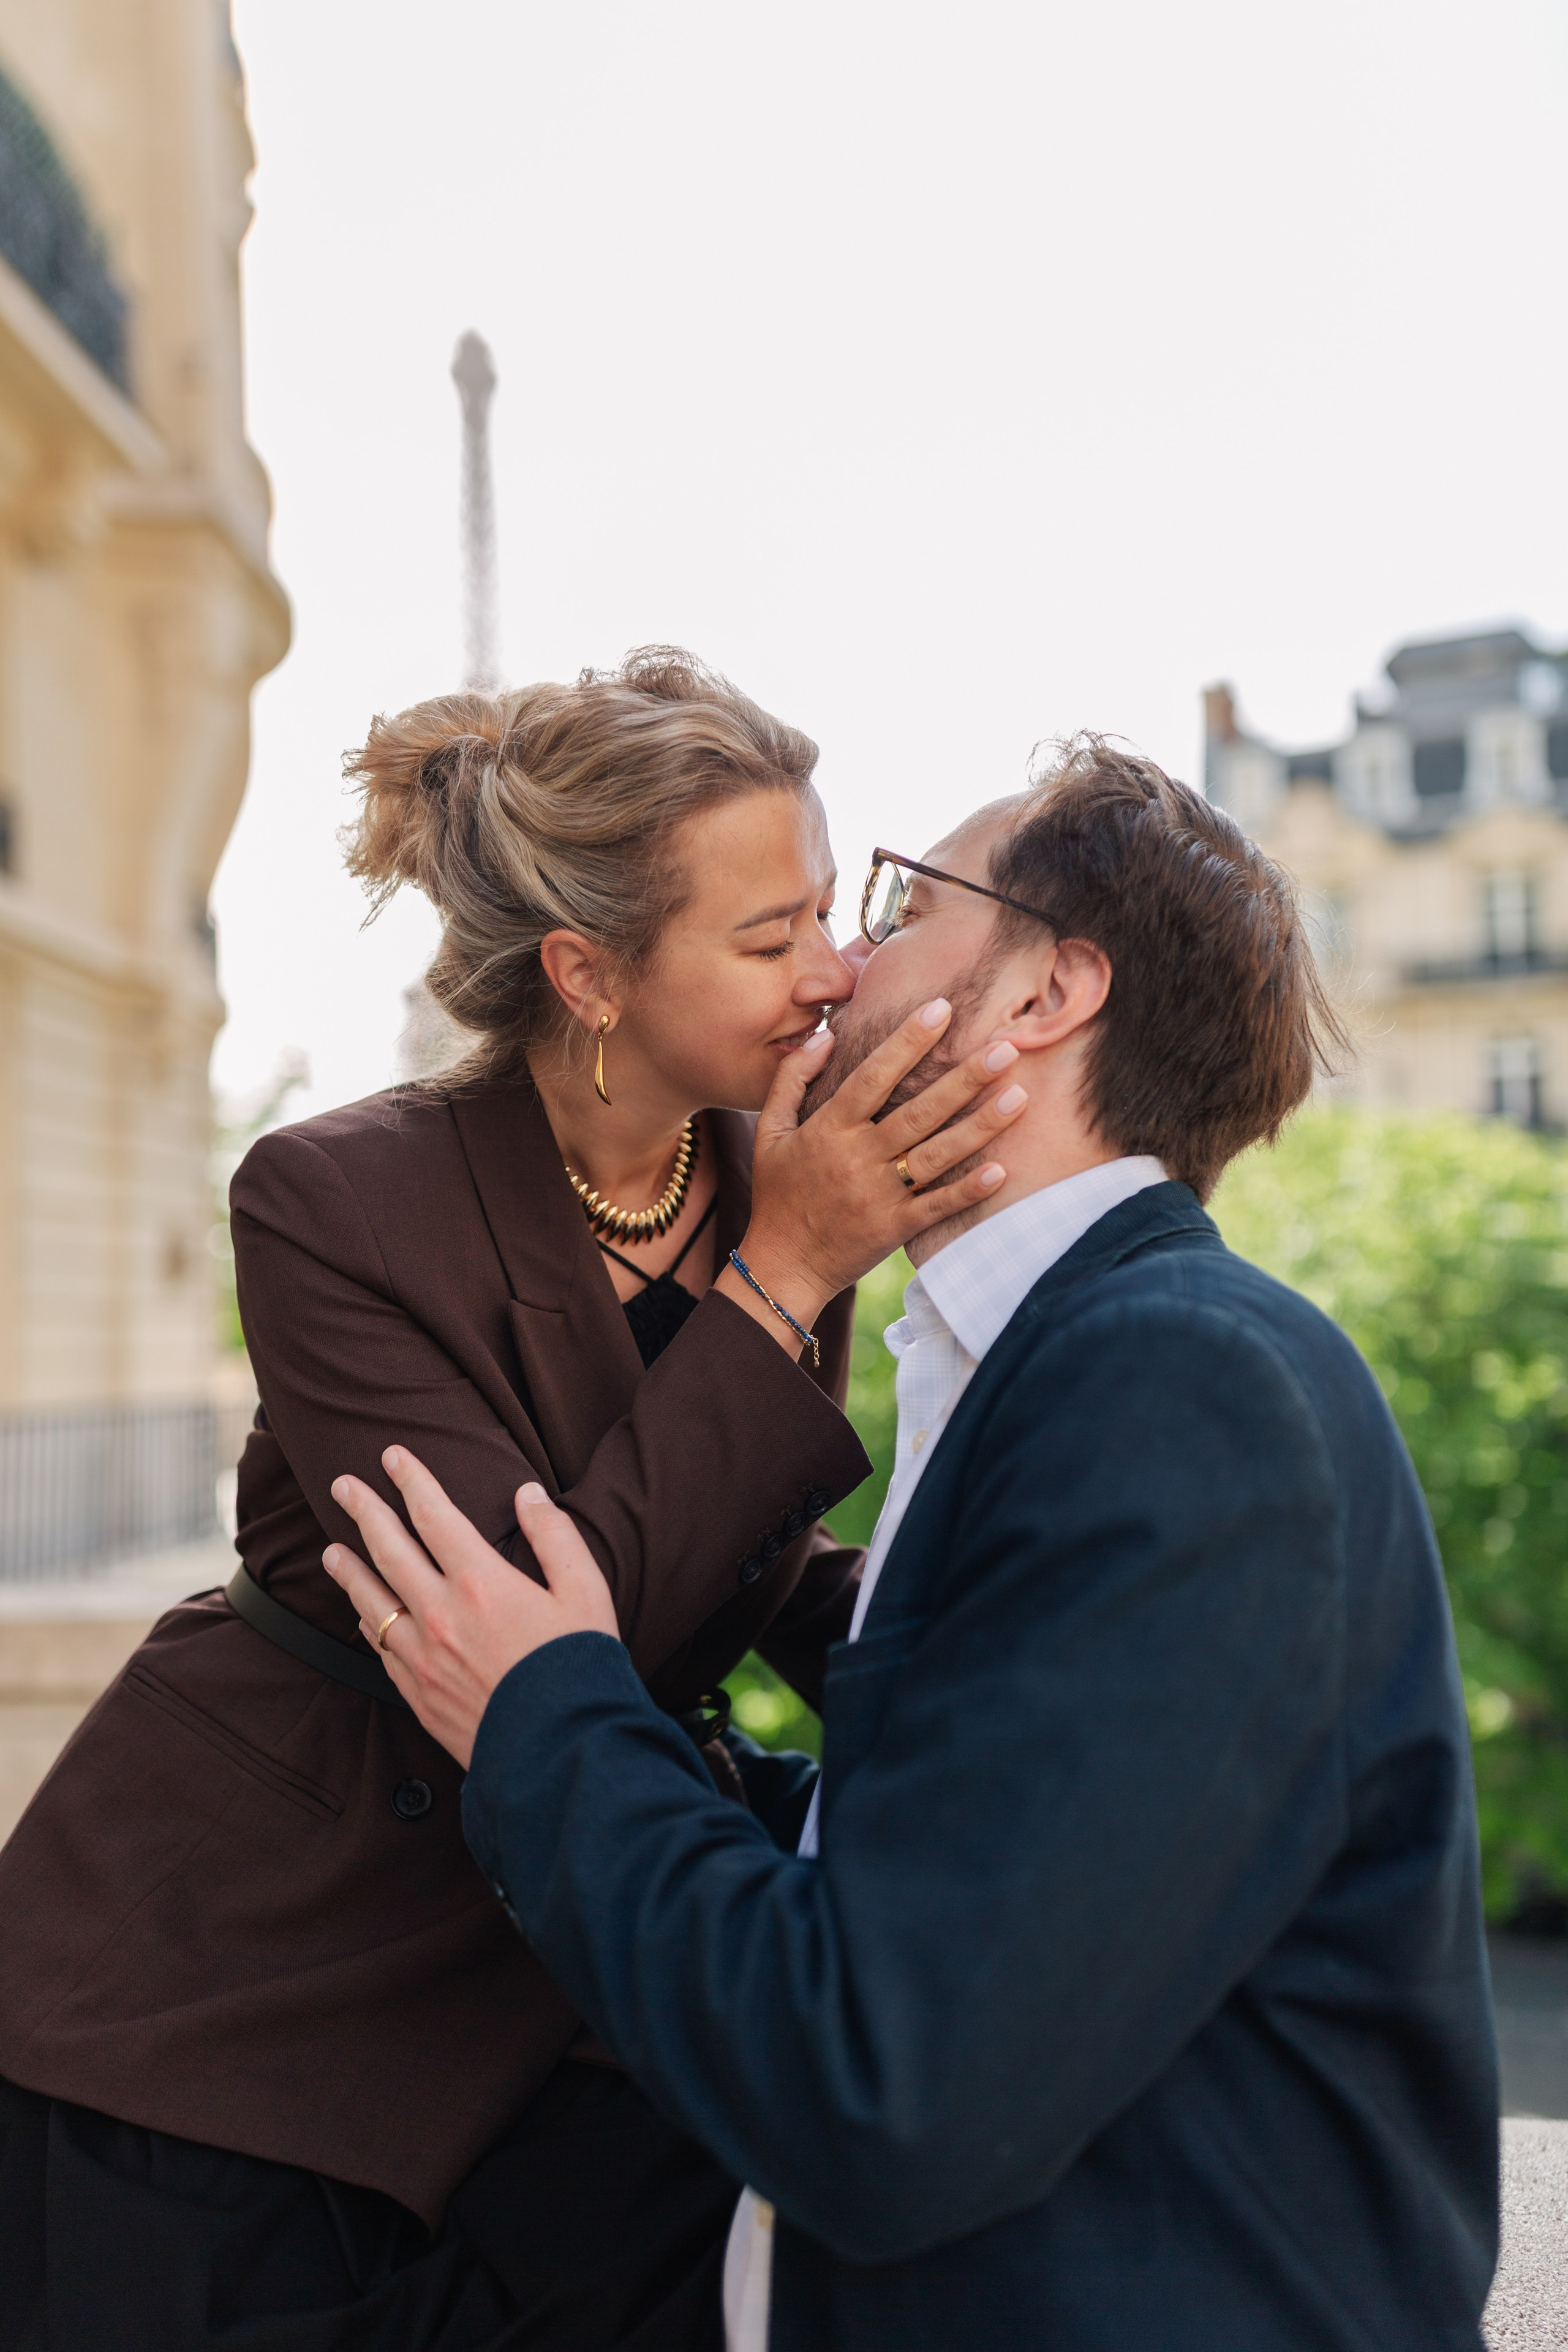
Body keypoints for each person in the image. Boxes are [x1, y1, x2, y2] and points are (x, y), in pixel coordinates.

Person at [323, 739, 1501, 2352]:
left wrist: (549, 1713)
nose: (839, 966)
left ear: (1045, 997)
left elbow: (887, 2086)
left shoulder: (1176, 1381)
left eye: (897, 907)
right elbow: (997, 1875)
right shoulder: (1075, 1361)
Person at [0, 651, 1028, 2352]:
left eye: (825, 915)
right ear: (589, 974)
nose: (834, 973)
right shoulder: (332, 1199)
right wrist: (783, 1277)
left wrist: (1009, 1667)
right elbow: (538, 1629)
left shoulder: (766, 1173)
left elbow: (742, 1554)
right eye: (769, 940)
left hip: (553, 1952)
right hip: (244, 1976)